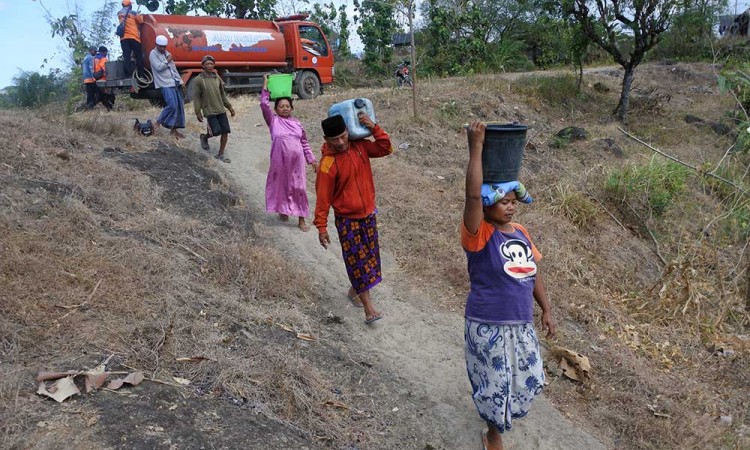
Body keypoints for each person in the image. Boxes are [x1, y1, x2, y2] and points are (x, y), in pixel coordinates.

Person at [461, 121, 556, 450]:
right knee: (495, 384)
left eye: (515, 200)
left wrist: (546, 309)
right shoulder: (479, 234)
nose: (511, 205)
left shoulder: (521, 232)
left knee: (524, 379)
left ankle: (498, 419)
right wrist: (476, 146)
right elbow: (472, 194)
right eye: (504, 201)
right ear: (487, 206)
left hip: (520, 324)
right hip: (489, 325)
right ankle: (493, 435)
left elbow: (533, 272)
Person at [314, 113, 393, 325]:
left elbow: (386, 147)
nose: (340, 143)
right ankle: (369, 308)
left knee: (370, 259)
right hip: (347, 220)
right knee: (357, 262)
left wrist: (373, 126)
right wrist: (321, 227)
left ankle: (354, 291)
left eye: (342, 136)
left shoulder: (361, 147)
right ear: (326, 139)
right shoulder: (327, 165)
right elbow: (323, 199)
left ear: (348, 131)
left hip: (368, 215)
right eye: (334, 140)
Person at [260, 74, 317, 230]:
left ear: (291, 108)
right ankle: (283, 210)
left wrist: (311, 159)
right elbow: (264, 105)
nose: (285, 108)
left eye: (287, 106)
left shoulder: (297, 124)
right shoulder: (273, 121)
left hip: (297, 162)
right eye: (281, 106)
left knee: (299, 188)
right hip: (279, 160)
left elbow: (304, 143)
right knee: (281, 186)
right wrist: (265, 85)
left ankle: (301, 219)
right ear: (276, 109)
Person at [194, 55, 235, 163]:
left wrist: (229, 107)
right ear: (203, 66)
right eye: (207, 64)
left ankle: (221, 154)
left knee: (225, 131)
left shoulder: (217, 77)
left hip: (220, 109)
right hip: (209, 110)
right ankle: (204, 137)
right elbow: (196, 97)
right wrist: (197, 111)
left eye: (211, 63)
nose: (209, 66)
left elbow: (222, 94)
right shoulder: (199, 80)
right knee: (215, 131)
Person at [149, 35, 185, 138]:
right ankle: (157, 123)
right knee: (171, 105)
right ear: (156, 45)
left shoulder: (167, 53)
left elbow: (173, 69)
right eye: (161, 46)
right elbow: (158, 67)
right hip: (164, 83)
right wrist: (167, 60)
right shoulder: (153, 54)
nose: (163, 48)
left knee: (179, 107)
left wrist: (181, 81)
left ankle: (174, 130)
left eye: (164, 46)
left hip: (174, 82)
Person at [117, 0, 144, 77]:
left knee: (126, 56)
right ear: (129, 5)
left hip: (124, 38)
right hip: (134, 37)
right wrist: (139, 15)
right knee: (138, 56)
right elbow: (141, 21)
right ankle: (141, 74)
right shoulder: (133, 13)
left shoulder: (119, 13)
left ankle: (128, 75)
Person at [93, 46, 115, 110]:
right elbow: (105, 68)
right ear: (105, 52)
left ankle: (94, 107)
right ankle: (109, 108)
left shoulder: (95, 58)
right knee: (109, 95)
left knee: (100, 95)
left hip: (96, 79)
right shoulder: (103, 59)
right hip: (103, 79)